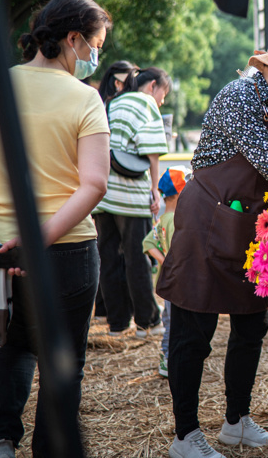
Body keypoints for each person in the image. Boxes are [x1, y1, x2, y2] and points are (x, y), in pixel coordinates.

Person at [157, 22, 268, 458]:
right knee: (193, 332)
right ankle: (185, 436)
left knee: (251, 325)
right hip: (207, 222)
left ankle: (236, 422)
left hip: (249, 227)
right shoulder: (239, 96)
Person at [0, 0, 111, 458]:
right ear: (73, 39)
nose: (95, 57)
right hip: (67, 251)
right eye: (95, 44)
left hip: (0, 248)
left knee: (13, 345)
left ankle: (1, 441)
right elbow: (94, 184)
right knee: (64, 362)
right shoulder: (86, 97)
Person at [94, 67, 171, 337]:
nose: (161, 101)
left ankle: (117, 323)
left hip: (103, 193)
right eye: (163, 94)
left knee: (109, 258)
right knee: (137, 257)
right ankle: (147, 322)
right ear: (152, 86)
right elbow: (152, 151)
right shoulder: (146, 102)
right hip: (130, 195)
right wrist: (154, 189)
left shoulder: (114, 102)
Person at [91, 60, 137, 322]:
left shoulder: (98, 103)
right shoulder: (123, 105)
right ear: (119, 82)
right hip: (121, 190)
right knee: (125, 256)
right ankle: (122, 316)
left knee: (105, 254)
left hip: (97, 192)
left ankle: (110, 316)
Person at [141, 167, 189, 378]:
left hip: (166, 281)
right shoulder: (177, 222)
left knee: (169, 320)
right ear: (180, 194)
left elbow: (147, 243)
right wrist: (171, 262)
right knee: (176, 324)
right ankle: (171, 360)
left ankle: (166, 358)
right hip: (178, 283)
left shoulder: (162, 220)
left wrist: (163, 261)